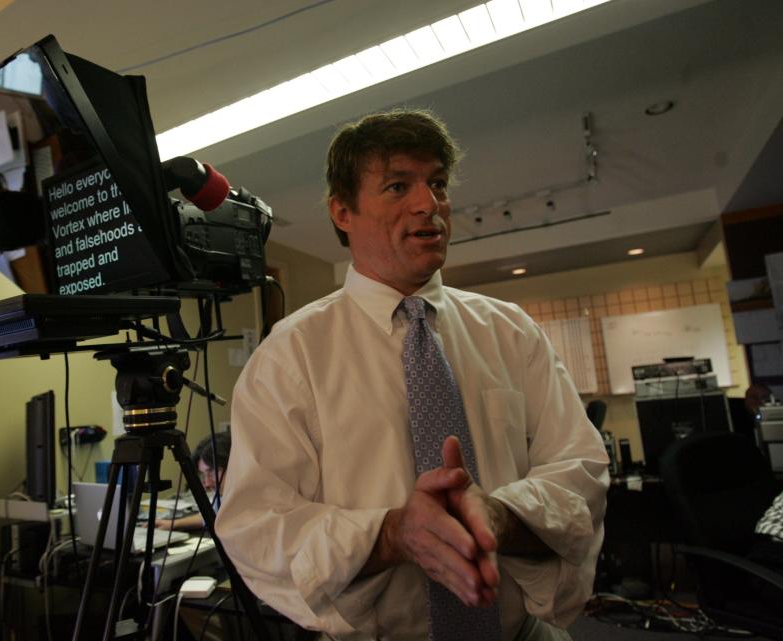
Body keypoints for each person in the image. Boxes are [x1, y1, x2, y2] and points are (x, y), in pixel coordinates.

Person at [215, 109, 609, 640]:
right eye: (399, 185)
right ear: (342, 211)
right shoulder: (290, 355)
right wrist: (392, 534)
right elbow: (257, 527)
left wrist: (498, 517)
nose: (430, 204)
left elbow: (581, 473)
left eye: (438, 184)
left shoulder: (511, 332)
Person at [154, 432, 229, 531]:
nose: (207, 483)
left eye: (212, 471)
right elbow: (209, 516)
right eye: (203, 475)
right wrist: (174, 524)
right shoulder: (223, 497)